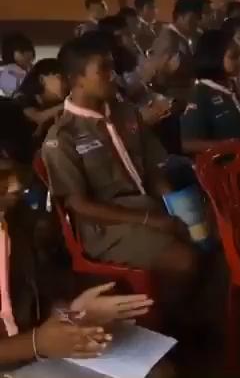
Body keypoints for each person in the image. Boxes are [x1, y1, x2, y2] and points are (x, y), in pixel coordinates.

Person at [42, 33, 199, 322]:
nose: (112, 76)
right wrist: (151, 220)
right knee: (185, 260)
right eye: (102, 69)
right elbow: (78, 204)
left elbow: (153, 171)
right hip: (105, 227)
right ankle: (169, 326)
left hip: (145, 208)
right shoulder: (63, 136)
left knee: (206, 239)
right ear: (77, 79)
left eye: (112, 67)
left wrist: (175, 208)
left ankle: (181, 316)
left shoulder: (126, 114)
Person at [0, 103, 160, 374]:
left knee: (158, 371)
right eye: (2, 176)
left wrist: (73, 312)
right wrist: (37, 344)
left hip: (26, 349)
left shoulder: (16, 221)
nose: (16, 187)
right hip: (17, 355)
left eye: (19, 171)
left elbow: (26, 298)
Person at [180, 29, 240, 155]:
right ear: (214, 57)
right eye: (234, 57)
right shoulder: (201, 93)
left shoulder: (229, 86)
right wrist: (225, 147)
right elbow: (188, 143)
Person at [149, 0, 201, 106]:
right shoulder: (168, 38)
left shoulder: (182, 37)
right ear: (180, 16)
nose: (196, 23)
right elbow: (159, 77)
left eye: (197, 18)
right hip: (175, 101)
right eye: (192, 18)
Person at [12, 58, 64, 151]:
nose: (66, 83)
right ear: (42, 79)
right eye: (60, 77)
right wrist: (69, 104)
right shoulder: (22, 97)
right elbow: (37, 117)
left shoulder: (59, 102)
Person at [0, 32, 35, 97]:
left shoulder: (31, 68)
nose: (27, 54)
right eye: (22, 51)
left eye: (29, 49)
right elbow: (11, 93)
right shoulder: (10, 69)